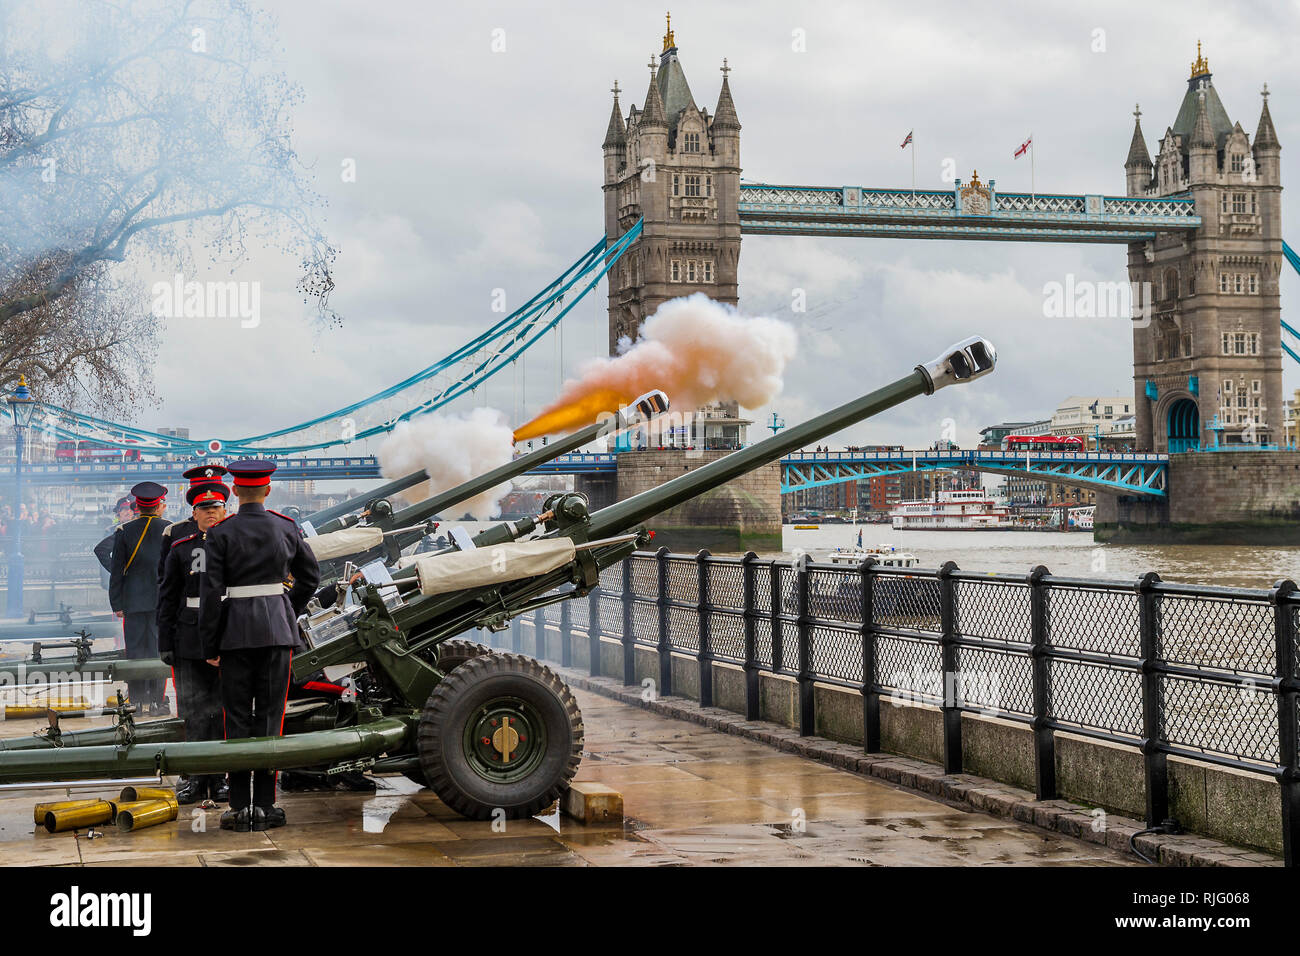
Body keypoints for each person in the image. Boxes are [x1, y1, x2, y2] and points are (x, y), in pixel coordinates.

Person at [199, 460, 319, 833]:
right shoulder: (286, 527)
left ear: (234, 492)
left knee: (235, 718)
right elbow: (310, 577)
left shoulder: (220, 533)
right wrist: (284, 610)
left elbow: (210, 594)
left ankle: (237, 807)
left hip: (234, 635)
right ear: (267, 491)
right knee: (271, 718)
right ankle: (266, 806)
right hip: (276, 635)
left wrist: (210, 644)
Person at [158, 481, 231, 805]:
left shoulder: (235, 544)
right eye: (204, 509)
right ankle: (195, 777)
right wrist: (165, 640)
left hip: (228, 633)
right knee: (193, 710)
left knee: (221, 711)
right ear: (194, 513)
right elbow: (168, 595)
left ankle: (220, 778)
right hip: (189, 636)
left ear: (225, 511)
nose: (211, 513)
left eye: (216, 508)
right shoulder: (181, 547)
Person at [108, 482, 168, 715]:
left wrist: (117, 604)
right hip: (160, 602)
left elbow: (117, 571)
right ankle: (156, 702)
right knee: (156, 652)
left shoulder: (124, 531)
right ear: (158, 504)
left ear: (138, 505)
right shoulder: (170, 529)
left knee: (134, 652)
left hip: (132, 603)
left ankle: (136, 702)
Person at [158, 464, 229, 582]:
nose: (210, 509)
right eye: (204, 505)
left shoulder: (233, 531)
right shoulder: (174, 531)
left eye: (215, 506)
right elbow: (165, 576)